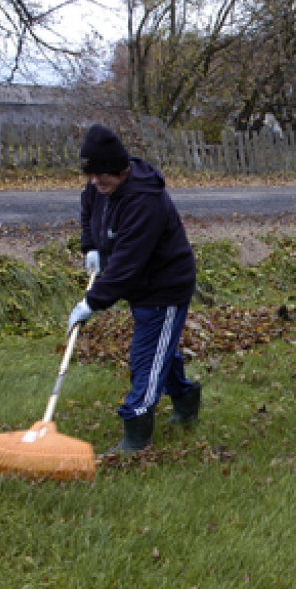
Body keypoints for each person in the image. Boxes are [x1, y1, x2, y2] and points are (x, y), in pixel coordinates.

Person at [68, 123, 201, 454]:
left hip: (164, 287)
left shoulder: (145, 201)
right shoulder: (98, 188)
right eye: (90, 175)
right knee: (160, 351)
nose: (95, 182)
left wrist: (91, 302)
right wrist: (91, 248)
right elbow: (89, 211)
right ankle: (186, 399)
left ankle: (136, 434)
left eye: (102, 176)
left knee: (145, 358)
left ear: (121, 169)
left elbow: (127, 266)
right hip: (140, 286)